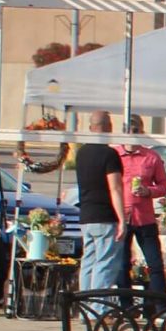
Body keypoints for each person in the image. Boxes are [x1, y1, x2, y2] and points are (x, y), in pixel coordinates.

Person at [71, 113, 125, 293]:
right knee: (105, 263)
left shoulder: (81, 153)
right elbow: (115, 188)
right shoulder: (110, 154)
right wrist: (122, 219)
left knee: (88, 261)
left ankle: (84, 302)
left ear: (90, 128)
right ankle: (98, 306)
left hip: (86, 215)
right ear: (109, 127)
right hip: (105, 216)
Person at [116, 125, 166, 301]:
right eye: (130, 132)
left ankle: (160, 306)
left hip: (144, 218)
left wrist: (148, 191)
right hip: (121, 218)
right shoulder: (115, 155)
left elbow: (164, 186)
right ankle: (126, 306)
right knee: (122, 265)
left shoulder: (151, 157)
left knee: (155, 264)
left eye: (136, 132)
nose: (132, 136)